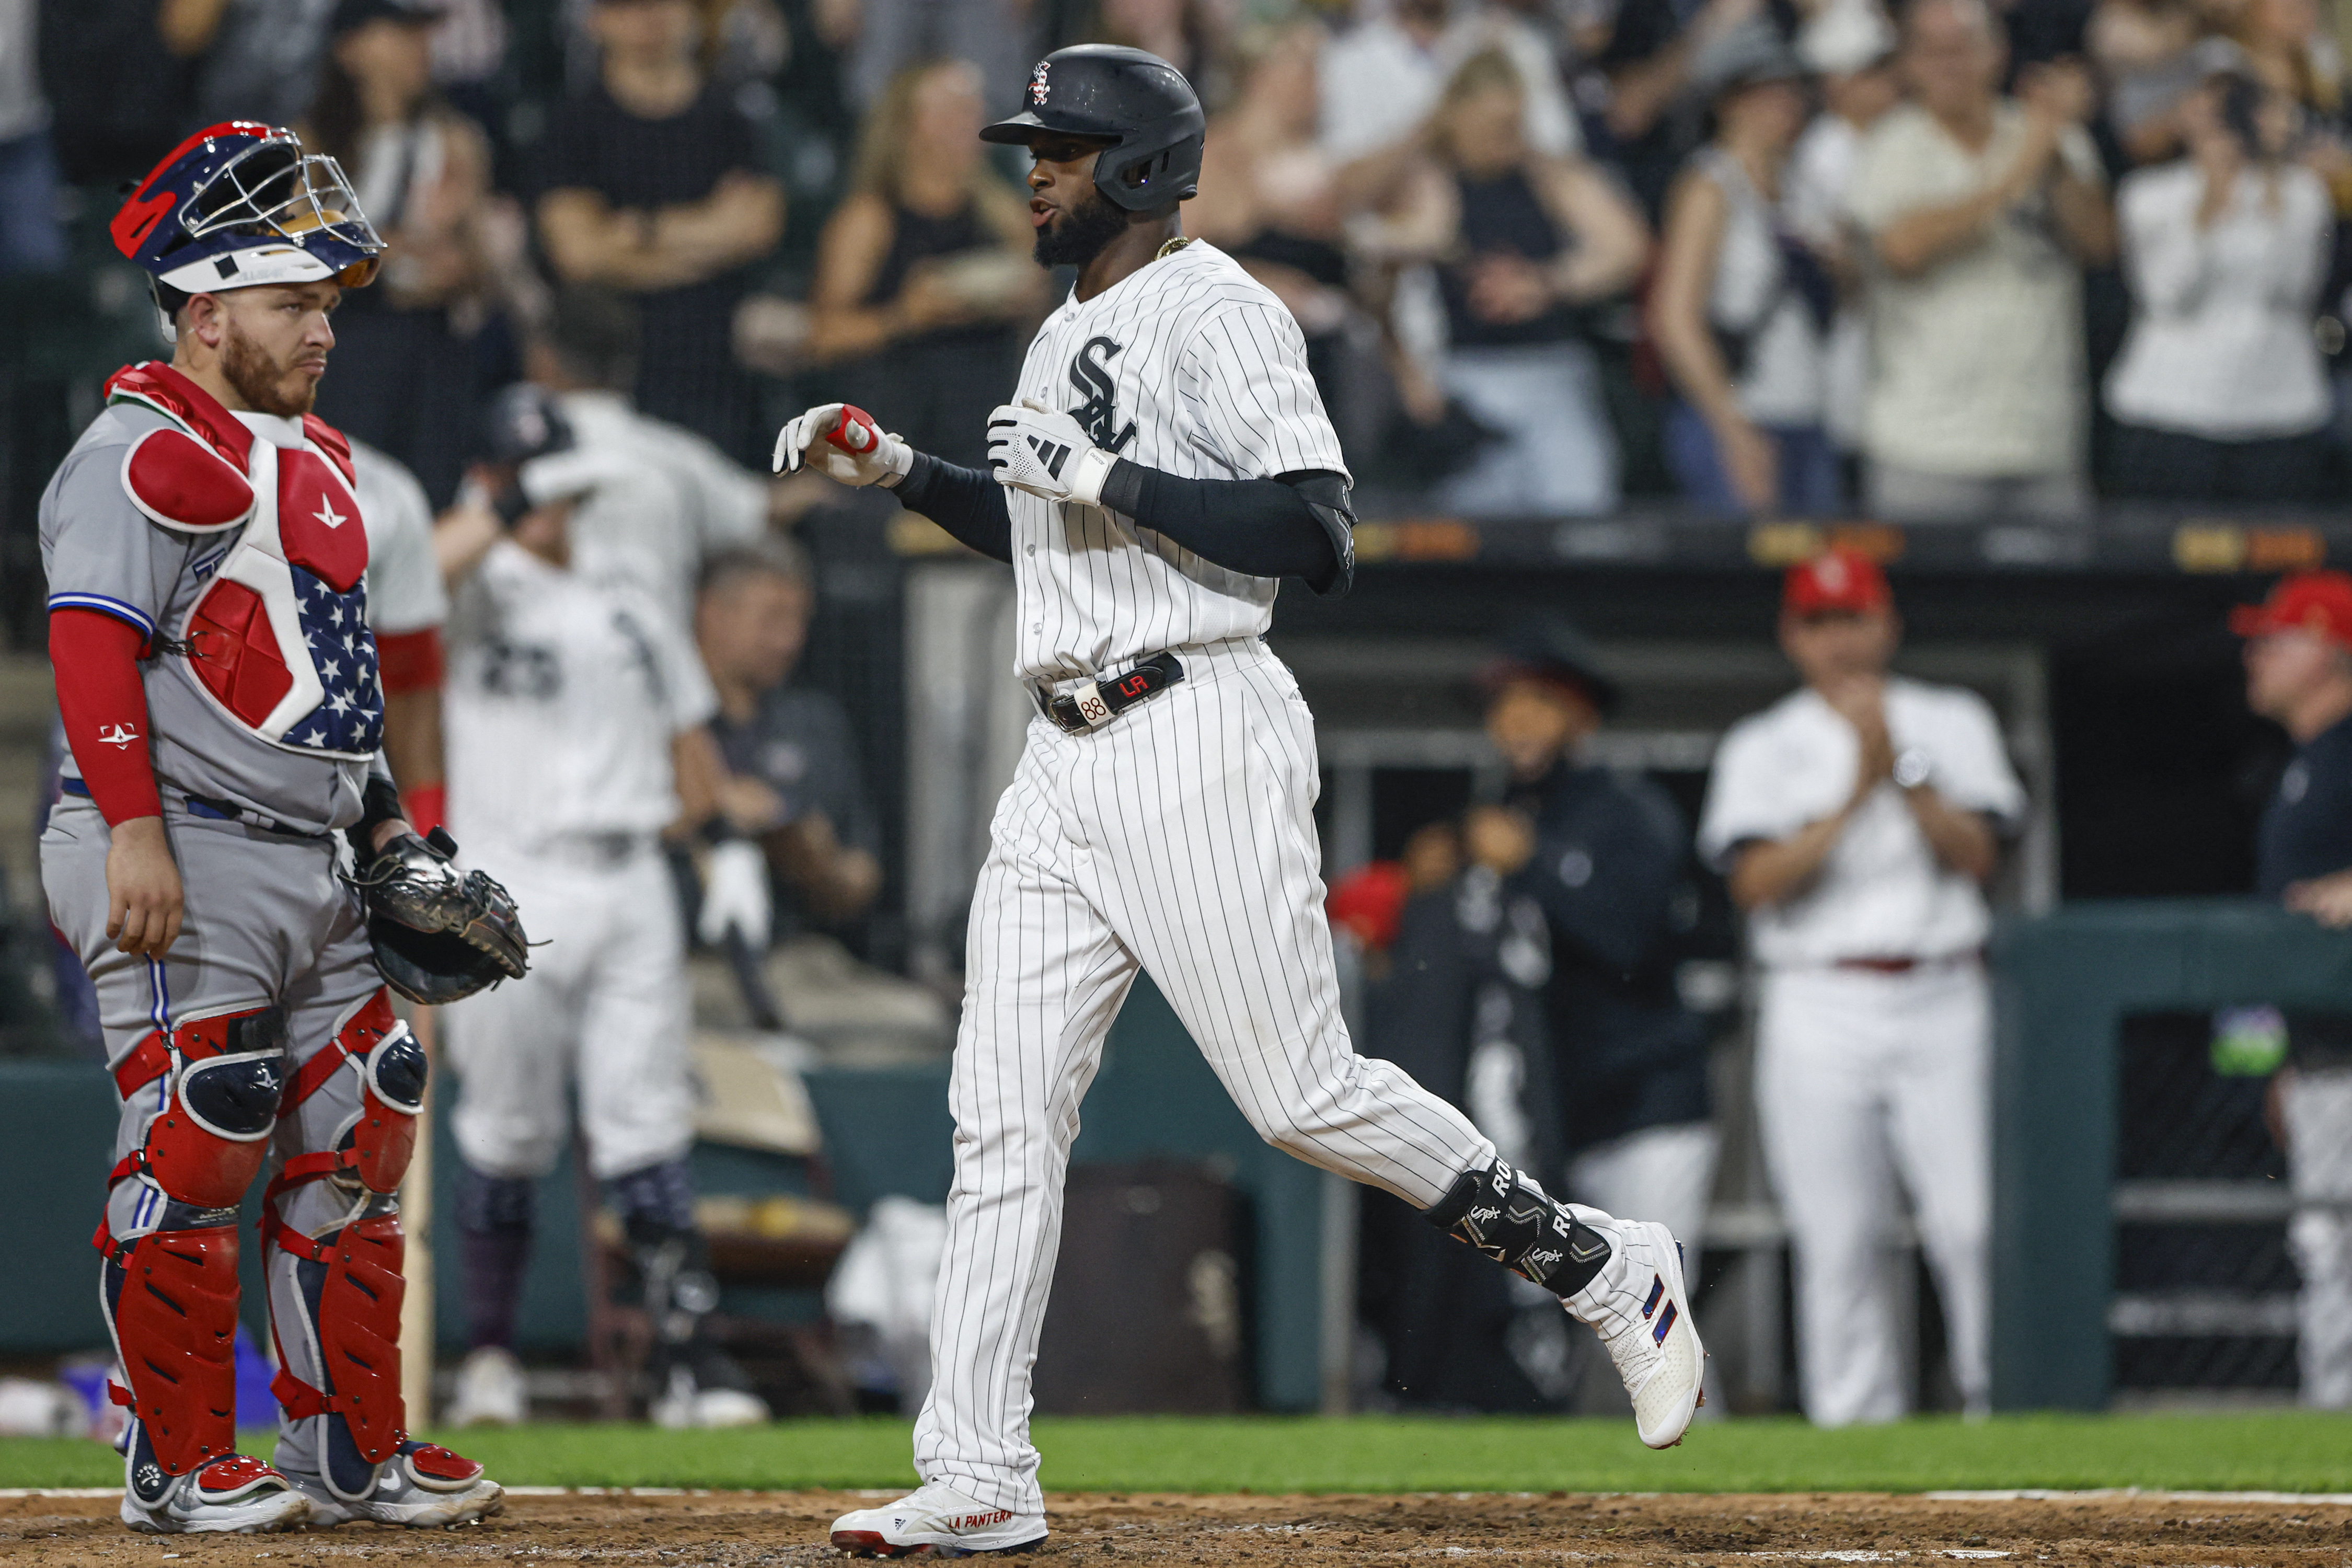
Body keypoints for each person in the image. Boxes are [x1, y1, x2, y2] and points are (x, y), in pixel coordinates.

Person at [773, 44, 1704, 1558]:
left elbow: (1315, 533)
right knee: (999, 1122)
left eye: (1063, 150)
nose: (1034, 170)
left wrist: (1110, 478)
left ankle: (1600, 1265)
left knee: (1300, 1096)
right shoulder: (1059, 329)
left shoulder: (1224, 309)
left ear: (1141, 169)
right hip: (1060, 747)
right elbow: (1039, 530)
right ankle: (977, 1469)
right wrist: (897, 470)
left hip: (1192, 721)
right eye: (1033, 146)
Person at [39, 121, 504, 1533]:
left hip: (311, 847)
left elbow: (334, 686)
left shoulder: (315, 458)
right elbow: (89, 651)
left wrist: (388, 839)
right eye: (294, 303)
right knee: (199, 1134)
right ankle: (175, 1463)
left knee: (363, 1130)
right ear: (206, 308)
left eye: (323, 305)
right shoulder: (137, 452)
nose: (322, 329)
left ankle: (348, 1451)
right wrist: (131, 833)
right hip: (179, 833)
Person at [433, 386, 773, 1432]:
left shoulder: (629, 601)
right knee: (506, 1128)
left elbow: (690, 739)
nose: (559, 516)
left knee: (647, 1124)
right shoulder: (466, 589)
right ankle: (490, 1355)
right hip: (506, 878)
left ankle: (688, 1364)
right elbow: (377, 586)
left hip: (630, 876)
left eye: (564, 494)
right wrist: (499, 502)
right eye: (543, 496)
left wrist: (724, 853)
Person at [1697, 547, 2025, 1427]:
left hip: (1944, 993)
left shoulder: (1952, 718)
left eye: (1854, 618)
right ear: (1792, 635)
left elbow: (1982, 855)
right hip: (1819, 998)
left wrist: (1903, 768)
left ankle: (2000, 1410)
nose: (1840, 639)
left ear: (1888, 624)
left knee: (1972, 1223)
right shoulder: (1765, 742)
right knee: (1838, 1237)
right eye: (1820, 621)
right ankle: (1853, 1430)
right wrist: (1854, 788)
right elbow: (1755, 883)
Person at [1479, 617, 1718, 1254]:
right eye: (1505, 704)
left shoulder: (1628, 811)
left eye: (1539, 702)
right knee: (1567, 1334)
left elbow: (1633, 941)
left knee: (1656, 1317)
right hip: (1557, 1117)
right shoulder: (1500, 819)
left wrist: (1534, 863)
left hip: (1648, 1109)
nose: (1518, 721)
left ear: (1581, 715)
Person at [1846, 0, 2115, 522]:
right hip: (1925, 442)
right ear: (1907, 64)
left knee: (2050, 604)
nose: (1950, 65)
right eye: (1931, 52)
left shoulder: (2047, 137)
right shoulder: (1890, 145)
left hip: (2042, 436)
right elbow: (1904, 250)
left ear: (1998, 53)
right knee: (1925, 602)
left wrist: (2053, 150)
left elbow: (2100, 243)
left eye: (1964, 49)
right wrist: (2021, 170)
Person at [1383, 48, 1651, 516]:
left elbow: (1628, 245)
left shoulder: (1546, 175)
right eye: (1491, 126)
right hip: (1472, 378)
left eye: (1512, 124)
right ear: (1458, 118)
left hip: (1554, 373)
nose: (1504, 139)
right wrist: (1409, 369)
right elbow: (1381, 263)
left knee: (1580, 507)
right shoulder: (1432, 182)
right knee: (1477, 526)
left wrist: (1548, 282)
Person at [537, 0, 786, 460]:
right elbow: (579, 254)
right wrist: (711, 234)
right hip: (615, 365)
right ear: (596, 21)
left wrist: (641, 230)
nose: (649, 17)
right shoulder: (573, 122)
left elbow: (757, 227)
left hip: (719, 364)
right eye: (628, 7)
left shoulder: (732, 115)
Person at [303, 0, 506, 509]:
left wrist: (460, 257)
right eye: (400, 34)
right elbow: (302, 254)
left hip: (431, 350)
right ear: (351, 49)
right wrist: (402, 249)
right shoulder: (311, 144)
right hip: (342, 349)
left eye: (421, 34)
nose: (420, 48)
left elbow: (481, 267)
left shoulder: (454, 139)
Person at [2230, 570, 2352, 1408]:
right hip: (2322, 1055)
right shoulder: (2304, 763)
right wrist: (2279, 1056)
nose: (2257, 653)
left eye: (2278, 637)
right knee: (2327, 1247)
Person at [2103, 73, 2334, 502]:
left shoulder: (2303, 194)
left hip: (2279, 408)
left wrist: (2269, 191)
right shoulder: (2148, 194)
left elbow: (2292, 292)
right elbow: (2168, 297)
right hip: (2169, 408)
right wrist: (2208, 209)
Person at [806, 57, 1043, 468]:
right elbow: (823, 337)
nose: (971, 123)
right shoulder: (869, 220)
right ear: (906, 128)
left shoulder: (1001, 213)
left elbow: (1043, 303)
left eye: (974, 110)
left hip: (985, 432)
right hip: (897, 433)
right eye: (952, 112)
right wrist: (905, 315)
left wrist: (1022, 299)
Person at [1650, 23, 1839, 517]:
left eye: (1791, 90)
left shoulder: (1803, 185)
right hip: (1741, 413)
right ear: (1731, 100)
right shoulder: (1710, 187)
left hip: (1808, 409)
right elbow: (1674, 317)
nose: (1786, 105)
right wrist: (1731, 428)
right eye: (1767, 92)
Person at [522, 285, 768, 632]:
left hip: (537, 670)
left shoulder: (511, 460)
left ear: (542, 359)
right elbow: (759, 515)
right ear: (627, 367)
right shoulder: (675, 458)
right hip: (647, 669)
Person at [695, 540, 883, 935]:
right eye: (772, 619)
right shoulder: (666, 720)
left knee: (911, 1001)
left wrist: (818, 864)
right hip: (686, 953)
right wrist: (714, 805)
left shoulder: (814, 722)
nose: (789, 641)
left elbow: (863, 875)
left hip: (799, 954)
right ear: (712, 613)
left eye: (799, 622)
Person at [353, 437, 451, 833]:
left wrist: (430, 830)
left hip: (326, 806)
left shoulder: (380, 488)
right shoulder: (150, 445)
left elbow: (409, 682)